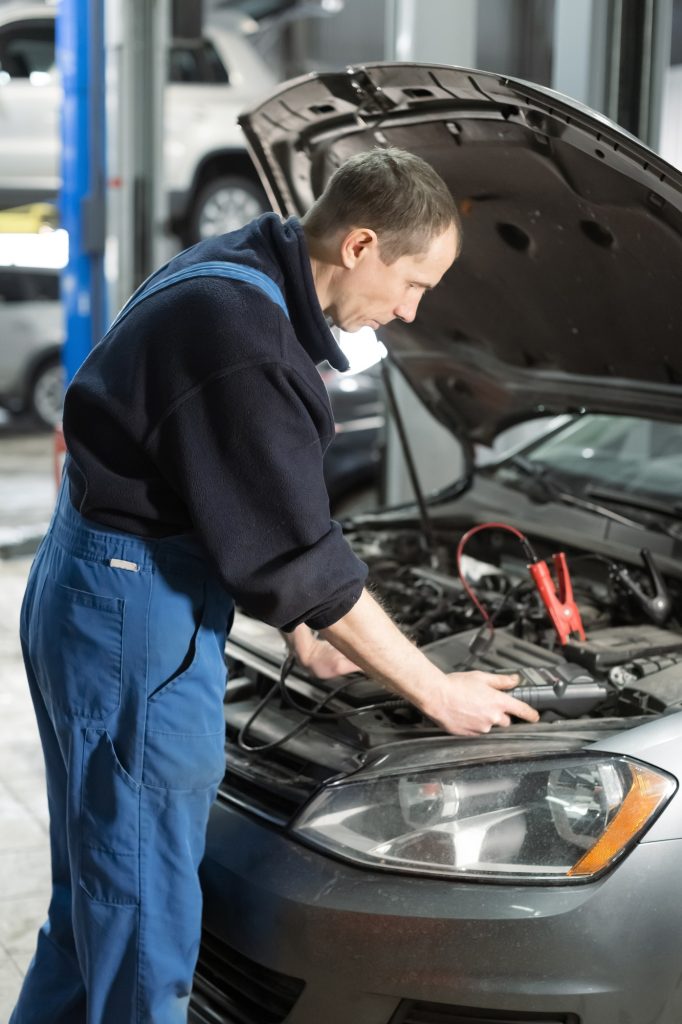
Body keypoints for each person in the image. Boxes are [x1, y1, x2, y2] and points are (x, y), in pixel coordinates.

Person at [11, 147, 539, 1024]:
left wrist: (302, 628)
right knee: (144, 921)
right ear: (361, 243)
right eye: (414, 284)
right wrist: (436, 690)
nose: (410, 312)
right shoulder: (243, 333)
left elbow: (231, 487)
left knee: (96, 903)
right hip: (130, 612)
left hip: (98, 583)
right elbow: (301, 554)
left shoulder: (248, 261)